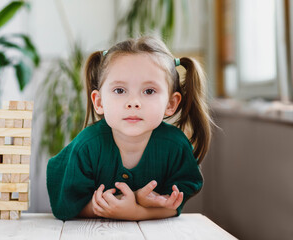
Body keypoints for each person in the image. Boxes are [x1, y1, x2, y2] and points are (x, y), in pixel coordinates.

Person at [46, 35, 213, 221]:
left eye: (149, 91)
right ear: (99, 102)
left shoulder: (176, 147)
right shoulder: (86, 146)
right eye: (119, 90)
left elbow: (174, 205)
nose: (133, 102)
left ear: (170, 104)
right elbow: (67, 207)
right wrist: (125, 203)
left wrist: (137, 211)